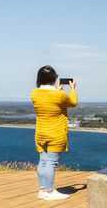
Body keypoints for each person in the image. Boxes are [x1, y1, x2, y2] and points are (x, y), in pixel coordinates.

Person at [31, 65, 78, 200]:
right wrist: (73, 89)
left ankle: (42, 189)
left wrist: (56, 90)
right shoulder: (59, 94)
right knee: (51, 162)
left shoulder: (34, 93)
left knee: (43, 161)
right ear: (54, 78)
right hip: (55, 132)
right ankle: (50, 191)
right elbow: (73, 102)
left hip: (40, 132)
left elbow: (49, 100)